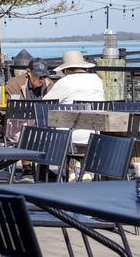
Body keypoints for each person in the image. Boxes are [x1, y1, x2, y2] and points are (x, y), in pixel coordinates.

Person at [44, 50, 105, 182]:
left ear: (66, 69)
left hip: (70, 133)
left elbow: (45, 103)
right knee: (84, 128)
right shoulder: (97, 80)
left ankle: (71, 169)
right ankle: (86, 170)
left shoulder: (65, 82)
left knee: (58, 128)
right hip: (95, 132)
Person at [3, 58, 54, 182]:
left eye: (44, 77)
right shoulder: (14, 85)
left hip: (41, 123)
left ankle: (43, 167)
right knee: (27, 129)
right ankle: (27, 168)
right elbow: (4, 109)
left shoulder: (50, 85)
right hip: (18, 123)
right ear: (28, 72)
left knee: (53, 132)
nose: (41, 80)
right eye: (38, 77)